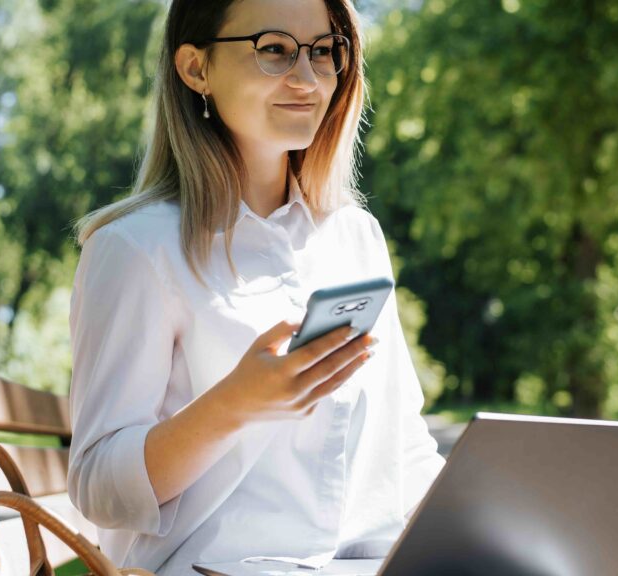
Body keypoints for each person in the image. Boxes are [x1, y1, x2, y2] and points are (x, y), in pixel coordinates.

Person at [66, 0, 445, 573]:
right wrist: (235, 404)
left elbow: (405, 445)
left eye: (324, 51)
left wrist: (490, 532)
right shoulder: (136, 247)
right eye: (273, 50)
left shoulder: (355, 237)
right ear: (196, 69)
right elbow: (97, 487)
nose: (307, 77)